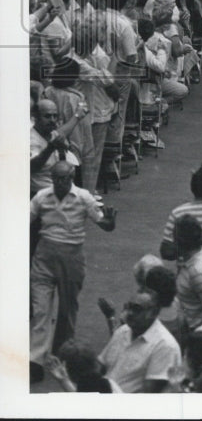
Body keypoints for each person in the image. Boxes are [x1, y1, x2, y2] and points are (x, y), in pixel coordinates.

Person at [29, 161, 116, 381]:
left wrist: (110, 221)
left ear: (71, 177)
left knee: (67, 309)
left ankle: (64, 354)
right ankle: (36, 361)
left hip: (72, 258)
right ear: (51, 178)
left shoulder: (84, 198)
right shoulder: (41, 197)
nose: (59, 183)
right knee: (40, 310)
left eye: (64, 178)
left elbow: (103, 223)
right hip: (44, 257)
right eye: (56, 178)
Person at [98, 288, 181, 392]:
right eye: (129, 307)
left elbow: (148, 394)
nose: (130, 313)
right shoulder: (122, 331)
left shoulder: (165, 346)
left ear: (154, 312)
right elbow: (100, 366)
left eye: (137, 309)